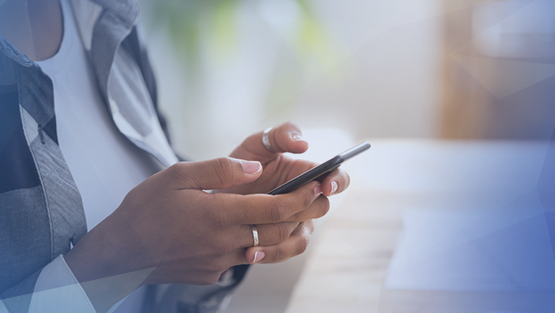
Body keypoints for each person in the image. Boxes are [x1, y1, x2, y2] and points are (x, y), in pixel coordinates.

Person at [0, 0, 350, 312]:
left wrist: (219, 218)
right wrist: (120, 262)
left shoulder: (107, 16)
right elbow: (140, 254)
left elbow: (158, 265)